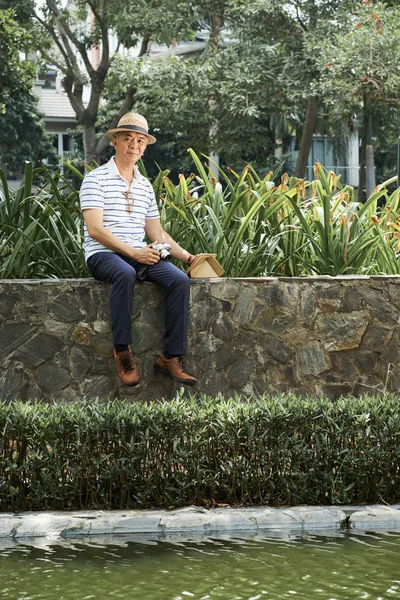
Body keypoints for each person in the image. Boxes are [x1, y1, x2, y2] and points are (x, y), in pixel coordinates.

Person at [79, 112, 197, 387]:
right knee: (124, 274)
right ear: (116, 142)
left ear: (144, 147)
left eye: (140, 140)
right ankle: (123, 352)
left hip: (138, 254)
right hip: (102, 253)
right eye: (128, 138)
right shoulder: (95, 179)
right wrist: (134, 254)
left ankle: (170, 357)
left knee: (179, 280)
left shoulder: (144, 186)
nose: (134, 144)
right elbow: (95, 230)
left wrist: (189, 257)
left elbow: (157, 233)